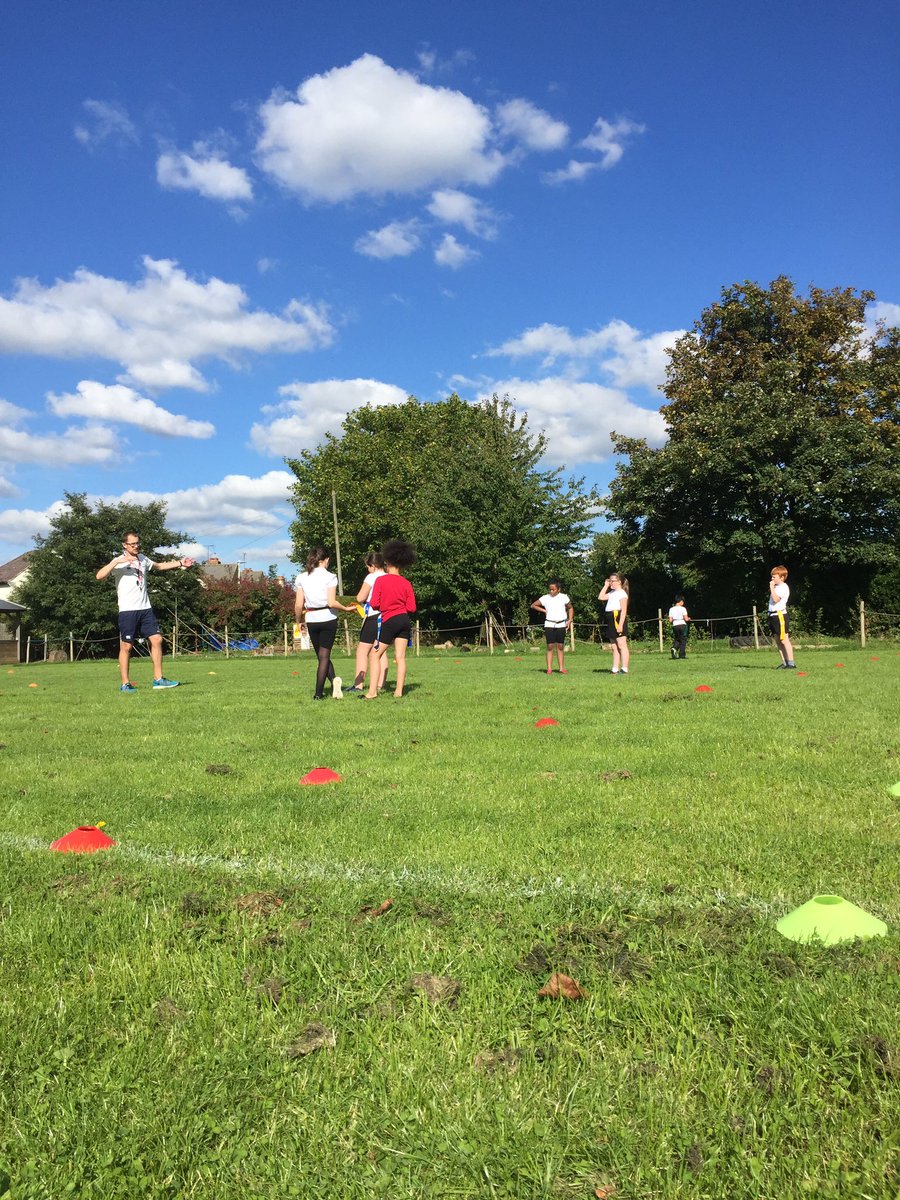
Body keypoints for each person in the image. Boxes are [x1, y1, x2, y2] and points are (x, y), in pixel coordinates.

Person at [95, 532, 194, 691]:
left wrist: (180, 563)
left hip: (145, 609)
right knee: (127, 646)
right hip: (128, 611)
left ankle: (158, 679)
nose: (136, 546)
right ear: (125, 545)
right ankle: (125, 684)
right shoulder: (118, 561)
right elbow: (99, 576)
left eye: (137, 543)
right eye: (132, 544)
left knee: (157, 639)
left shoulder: (142, 558)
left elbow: (159, 566)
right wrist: (116, 562)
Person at [294, 546, 356, 700]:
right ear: (326, 560)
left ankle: (333, 683)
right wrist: (346, 609)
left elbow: (298, 605)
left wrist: (298, 621)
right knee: (324, 656)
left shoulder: (302, 577)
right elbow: (331, 602)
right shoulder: (331, 576)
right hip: (328, 617)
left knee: (321, 657)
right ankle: (318, 693)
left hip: (311, 618)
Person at [363, 539, 417, 700]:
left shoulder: (380, 580)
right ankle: (398, 692)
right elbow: (412, 608)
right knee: (400, 657)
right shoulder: (406, 583)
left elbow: (374, 604)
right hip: (404, 620)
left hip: (390, 620)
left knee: (374, 655)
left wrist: (385, 605)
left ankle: (372, 692)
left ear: (387, 562)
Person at [347, 551, 389, 693]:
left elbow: (360, 597)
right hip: (387, 617)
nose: (367, 569)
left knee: (362, 651)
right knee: (381, 651)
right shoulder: (389, 577)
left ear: (373, 566)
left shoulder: (371, 577)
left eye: (368, 566)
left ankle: (358, 685)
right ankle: (380, 684)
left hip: (373, 617)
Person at [530, 580, 574, 674]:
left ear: (558, 589)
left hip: (561, 624)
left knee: (560, 646)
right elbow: (533, 605)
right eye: (550, 589)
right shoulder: (545, 598)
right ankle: (549, 669)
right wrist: (544, 611)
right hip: (549, 624)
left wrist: (570, 620)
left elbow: (570, 608)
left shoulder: (564, 597)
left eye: (553, 590)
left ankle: (561, 668)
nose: (551, 591)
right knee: (550, 646)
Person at [598, 573, 630, 674]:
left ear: (619, 582)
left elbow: (624, 611)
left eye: (612, 581)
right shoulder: (612, 593)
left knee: (621, 645)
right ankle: (615, 668)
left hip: (618, 618)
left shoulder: (622, 594)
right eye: (609, 580)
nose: (610, 582)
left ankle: (624, 668)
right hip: (610, 619)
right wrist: (606, 586)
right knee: (614, 646)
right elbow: (600, 597)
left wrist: (620, 625)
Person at [768, 565, 796, 669]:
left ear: (782, 577)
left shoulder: (783, 587)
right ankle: (784, 662)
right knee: (777, 640)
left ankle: (791, 663)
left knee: (784, 639)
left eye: (774, 577)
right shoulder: (776, 587)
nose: (772, 579)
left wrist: (771, 587)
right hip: (772, 615)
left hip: (780, 615)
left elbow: (776, 600)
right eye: (772, 576)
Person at [668, 594, 690, 659]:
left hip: (675, 625)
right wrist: (689, 618)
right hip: (682, 625)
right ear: (680, 601)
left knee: (677, 639)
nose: (683, 603)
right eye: (683, 601)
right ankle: (682, 655)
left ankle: (674, 648)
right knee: (683, 640)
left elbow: (670, 620)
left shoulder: (671, 609)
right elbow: (686, 619)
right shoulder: (683, 609)